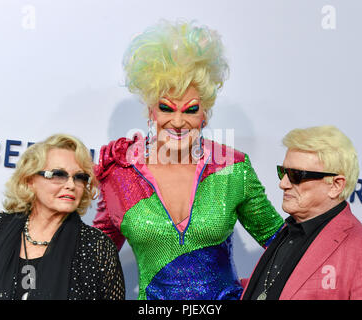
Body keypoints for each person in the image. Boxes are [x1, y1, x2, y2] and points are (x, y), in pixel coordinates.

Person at [93, 20, 284, 300]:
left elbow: (281, 244)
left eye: (191, 110)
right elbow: (94, 254)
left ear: (205, 114)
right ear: (150, 112)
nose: (179, 121)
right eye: (166, 108)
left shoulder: (233, 168)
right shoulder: (120, 173)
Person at [241, 125, 362, 300]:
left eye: (296, 175)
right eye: (283, 172)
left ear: (335, 186)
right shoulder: (288, 232)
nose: (283, 184)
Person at [0, 134, 125, 300]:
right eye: (58, 174)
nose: (70, 185)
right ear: (29, 180)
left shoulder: (98, 248)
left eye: (80, 177)